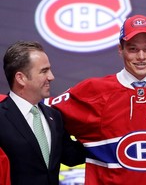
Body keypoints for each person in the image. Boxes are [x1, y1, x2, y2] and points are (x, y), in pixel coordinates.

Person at [49, 14, 146, 185]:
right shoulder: (93, 91)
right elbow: (46, 112)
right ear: (121, 49)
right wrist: (72, 154)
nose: (141, 57)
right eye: (133, 49)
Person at [0, 41, 86, 185]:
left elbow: (73, 157)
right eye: (44, 71)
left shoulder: (54, 116)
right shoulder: (1, 117)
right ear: (21, 78)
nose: (51, 77)